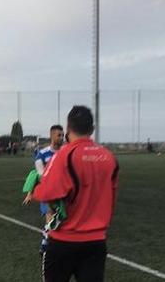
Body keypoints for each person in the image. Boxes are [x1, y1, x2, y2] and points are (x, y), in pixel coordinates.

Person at [34, 106, 119, 282]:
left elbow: (45, 193)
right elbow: (111, 198)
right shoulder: (109, 157)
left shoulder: (63, 155)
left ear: (68, 129)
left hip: (64, 241)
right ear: (92, 129)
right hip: (96, 243)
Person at [22, 125, 65, 253]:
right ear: (52, 136)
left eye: (63, 135)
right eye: (59, 135)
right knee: (51, 220)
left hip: (64, 193)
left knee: (60, 222)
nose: (62, 138)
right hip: (49, 193)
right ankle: (46, 246)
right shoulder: (42, 154)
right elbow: (39, 176)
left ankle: (46, 242)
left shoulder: (66, 152)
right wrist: (30, 193)